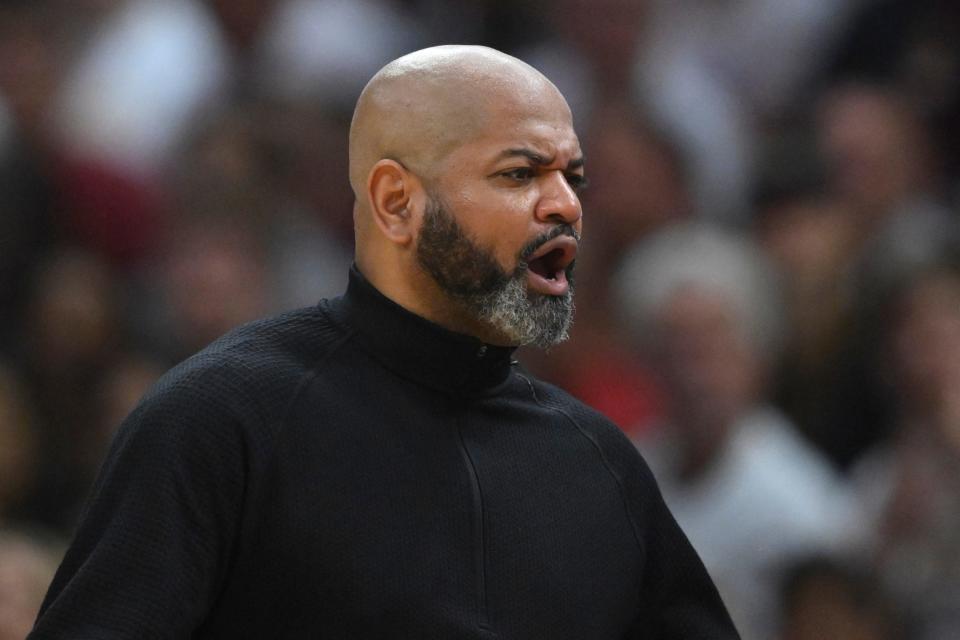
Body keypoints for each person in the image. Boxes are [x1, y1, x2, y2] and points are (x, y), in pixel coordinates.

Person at [29, 45, 739, 639]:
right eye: (520, 174)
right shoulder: (221, 421)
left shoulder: (597, 463)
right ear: (397, 202)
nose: (566, 206)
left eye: (571, 178)